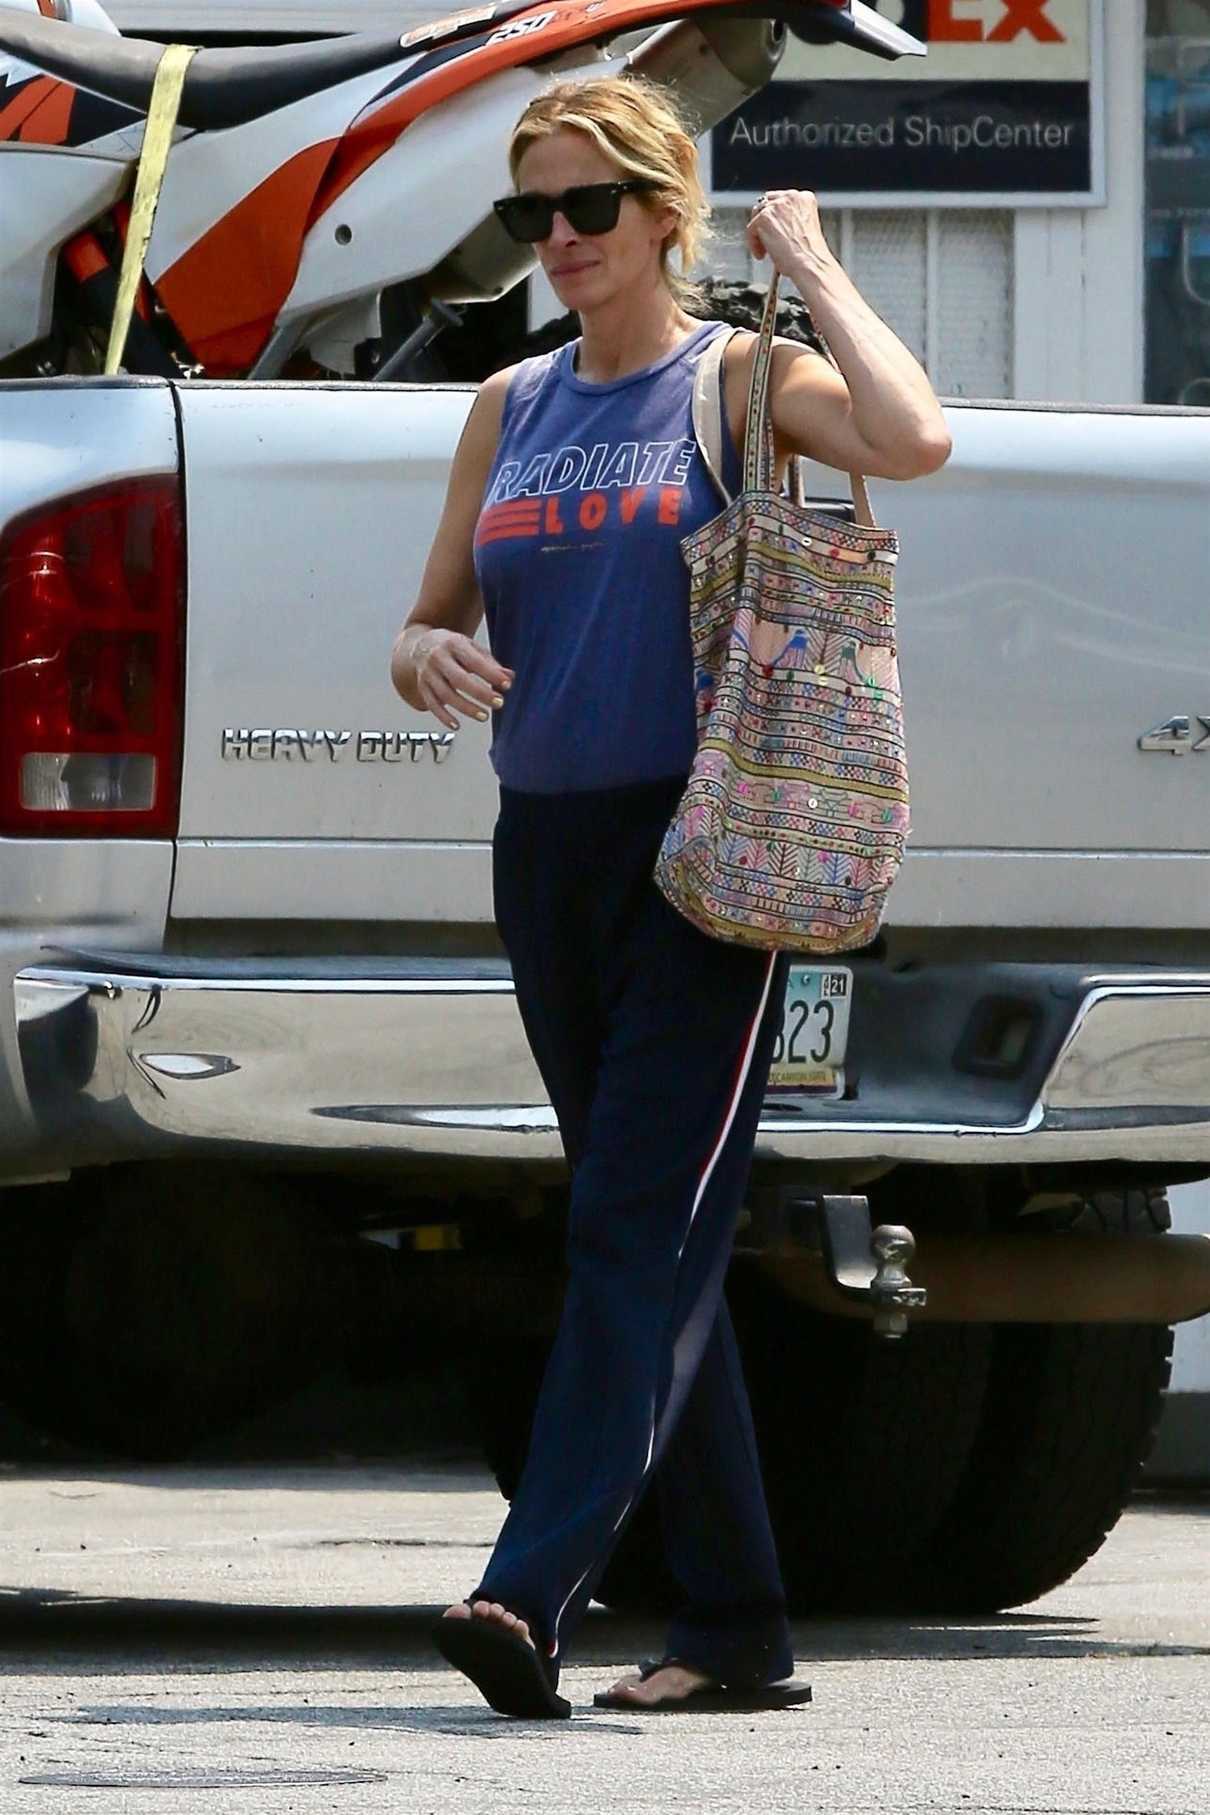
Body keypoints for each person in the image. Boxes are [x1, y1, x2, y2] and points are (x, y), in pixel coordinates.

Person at [389, 73, 950, 1719]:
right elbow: (428, 611)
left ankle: (525, 1592)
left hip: (706, 853)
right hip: (545, 855)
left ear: (658, 214)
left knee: (630, 1225)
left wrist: (819, 269)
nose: (554, 241)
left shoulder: (741, 378)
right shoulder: (510, 402)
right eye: (530, 214)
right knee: (665, 1236)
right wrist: (423, 651)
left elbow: (913, 440)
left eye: (581, 209)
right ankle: (734, 1625)